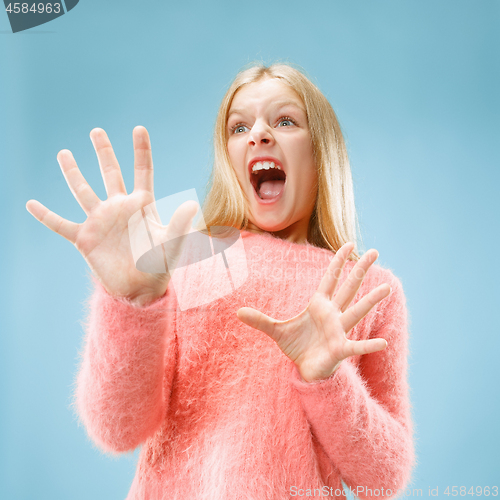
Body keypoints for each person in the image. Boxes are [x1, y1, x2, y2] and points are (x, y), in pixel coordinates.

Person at [26, 63, 415, 499]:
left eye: (284, 121)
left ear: (321, 150)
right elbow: (117, 429)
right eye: (239, 126)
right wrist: (132, 301)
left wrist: (328, 379)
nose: (259, 134)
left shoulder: (366, 288)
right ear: (228, 156)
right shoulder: (192, 251)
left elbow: (384, 480)